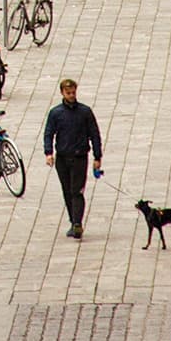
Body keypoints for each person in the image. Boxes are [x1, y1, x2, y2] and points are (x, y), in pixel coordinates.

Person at [41, 78, 104, 238]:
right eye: (68, 93)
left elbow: (94, 134)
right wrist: (48, 153)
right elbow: (49, 133)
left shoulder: (85, 112)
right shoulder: (56, 113)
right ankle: (73, 220)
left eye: (73, 92)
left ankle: (77, 223)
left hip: (79, 157)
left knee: (77, 191)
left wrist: (97, 156)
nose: (71, 95)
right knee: (67, 191)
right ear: (62, 93)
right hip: (62, 158)